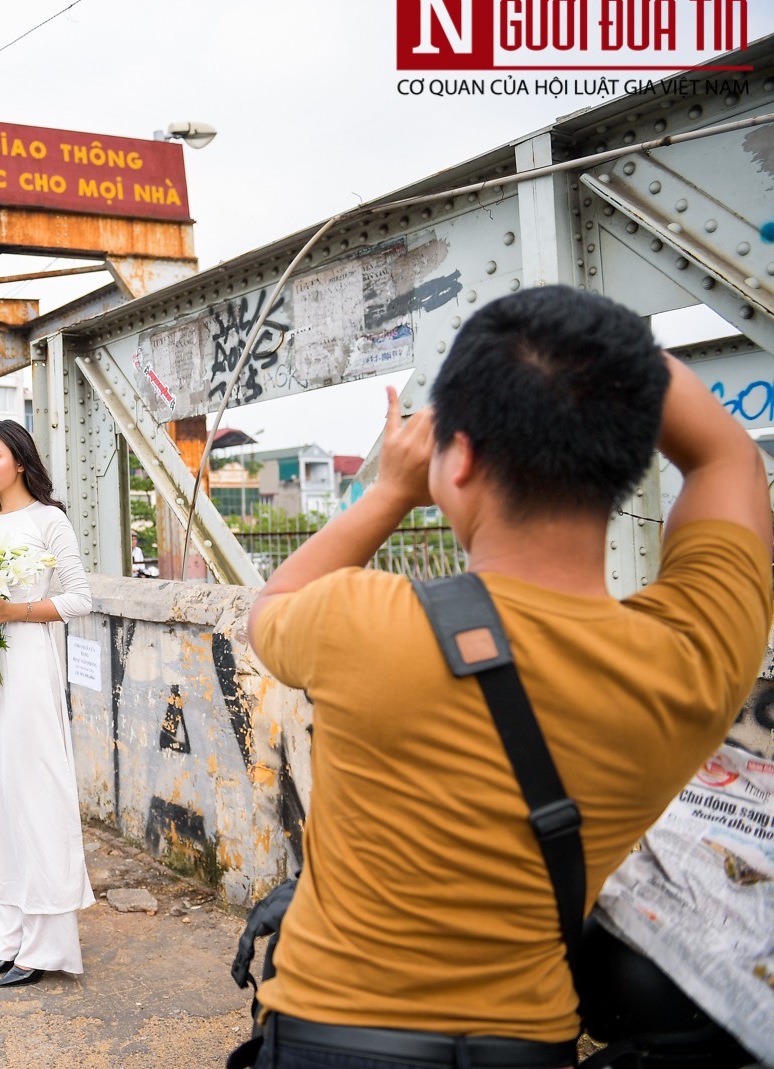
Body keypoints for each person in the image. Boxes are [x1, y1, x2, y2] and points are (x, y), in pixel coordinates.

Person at [242, 287, 772, 1064]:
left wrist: (391, 486)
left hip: (332, 1038)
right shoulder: (695, 656)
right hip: (527, 1047)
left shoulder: (360, 622)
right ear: (627, 458)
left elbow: (271, 605)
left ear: (458, 462)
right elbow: (728, 454)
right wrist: (600, 364)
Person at [0, 419, 95, 988]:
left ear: (19, 459)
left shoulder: (48, 520)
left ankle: (45, 946)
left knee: (35, 796)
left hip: (31, 671)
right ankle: (6, 938)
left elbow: (80, 598)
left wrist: (15, 612)